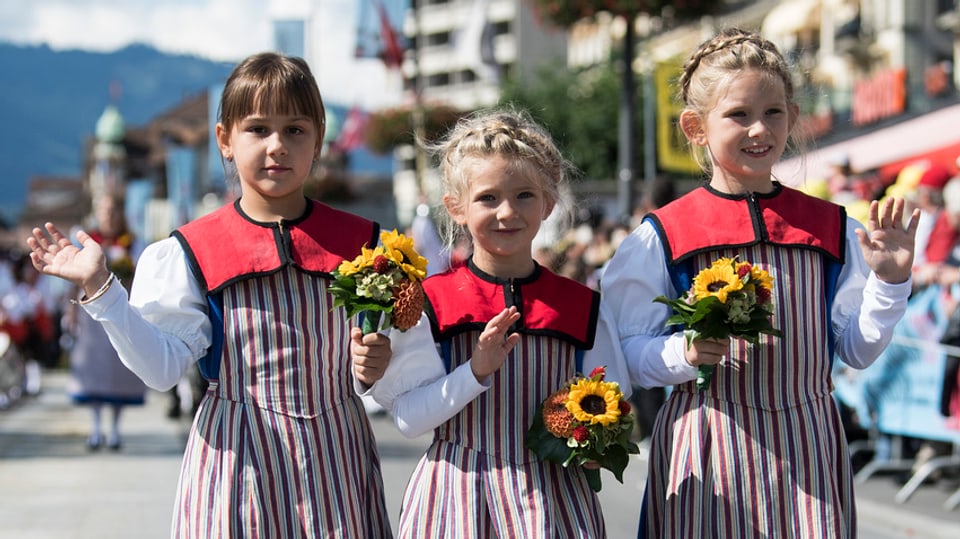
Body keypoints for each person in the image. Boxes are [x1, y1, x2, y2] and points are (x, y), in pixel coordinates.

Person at [27, 52, 392, 538]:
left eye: (296, 130)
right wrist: (102, 289)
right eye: (258, 129)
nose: (277, 145)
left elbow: (402, 376)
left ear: (319, 138)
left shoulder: (366, 244)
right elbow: (161, 368)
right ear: (225, 140)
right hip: (237, 465)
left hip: (336, 462)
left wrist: (377, 368)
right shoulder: (192, 251)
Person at [600, 29, 919, 538]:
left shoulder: (833, 226)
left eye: (773, 113)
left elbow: (855, 351)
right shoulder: (663, 235)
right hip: (708, 445)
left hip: (808, 447)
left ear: (793, 116)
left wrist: (890, 280)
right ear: (695, 127)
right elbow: (627, 353)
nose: (759, 130)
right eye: (738, 115)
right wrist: (683, 353)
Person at [353, 108, 631, 537]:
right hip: (455, 497)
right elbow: (408, 418)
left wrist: (597, 443)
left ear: (548, 203)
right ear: (456, 208)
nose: (507, 212)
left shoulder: (580, 305)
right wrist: (474, 372)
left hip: (553, 499)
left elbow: (615, 402)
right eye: (488, 198)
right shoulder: (432, 301)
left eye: (524, 195)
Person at [64, 193, 147, 450]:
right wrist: (71, 310)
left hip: (122, 310)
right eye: (104, 211)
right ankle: (96, 427)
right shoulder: (88, 242)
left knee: (119, 370)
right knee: (94, 370)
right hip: (93, 317)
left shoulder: (132, 243)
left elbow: (142, 278)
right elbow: (74, 278)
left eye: (112, 211)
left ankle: (115, 429)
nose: (108, 216)